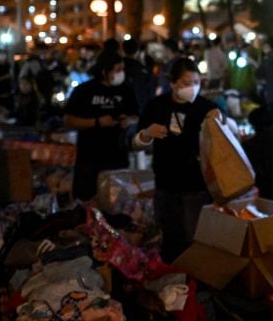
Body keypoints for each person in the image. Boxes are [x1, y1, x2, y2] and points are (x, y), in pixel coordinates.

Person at [132, 56, 221, 261]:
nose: (193, 88)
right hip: (165, 182)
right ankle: (171, 279)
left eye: (197, 83)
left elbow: (229, 136)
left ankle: (197, 282)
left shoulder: (207, 108)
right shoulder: (157, 106)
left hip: (196, 185)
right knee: (169, 235)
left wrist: (222, 122)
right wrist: (146, 134)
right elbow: (135, 143)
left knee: (195, 237)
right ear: (172, 83)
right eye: (187, 83)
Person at [63, 49, 139, 202]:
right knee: (86, 204)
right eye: (118, 70)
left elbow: (136, 115)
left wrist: (129, 121)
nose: (121, 73)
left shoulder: (126, 90)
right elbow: (69, 120)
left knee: (117, 204)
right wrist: (97, 122)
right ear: (105, 71)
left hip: (118, 158)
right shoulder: (84, 91)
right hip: (89, 159)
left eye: (122, 69)